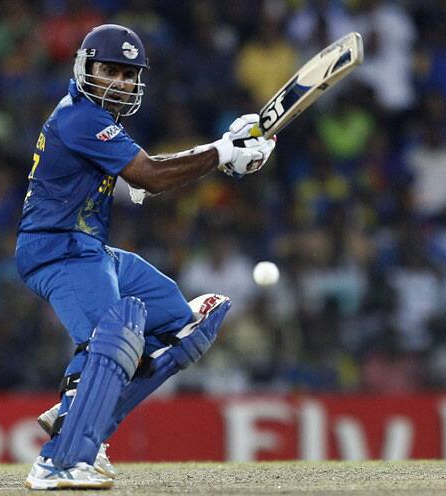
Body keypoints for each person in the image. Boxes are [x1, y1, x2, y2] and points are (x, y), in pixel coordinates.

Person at [15, 24, 276, 490]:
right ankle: (60, 460)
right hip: (57, 249)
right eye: (109, 70)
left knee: (182, 325)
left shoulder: (94, 118)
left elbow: (142, 177)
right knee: (114, 333)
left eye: (128, 74)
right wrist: (221, 153)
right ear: (85, 67)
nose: (118, 81)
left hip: (89, 249)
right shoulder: (81, 117)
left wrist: (224, 145)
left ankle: (76, 411)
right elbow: (151, 177)